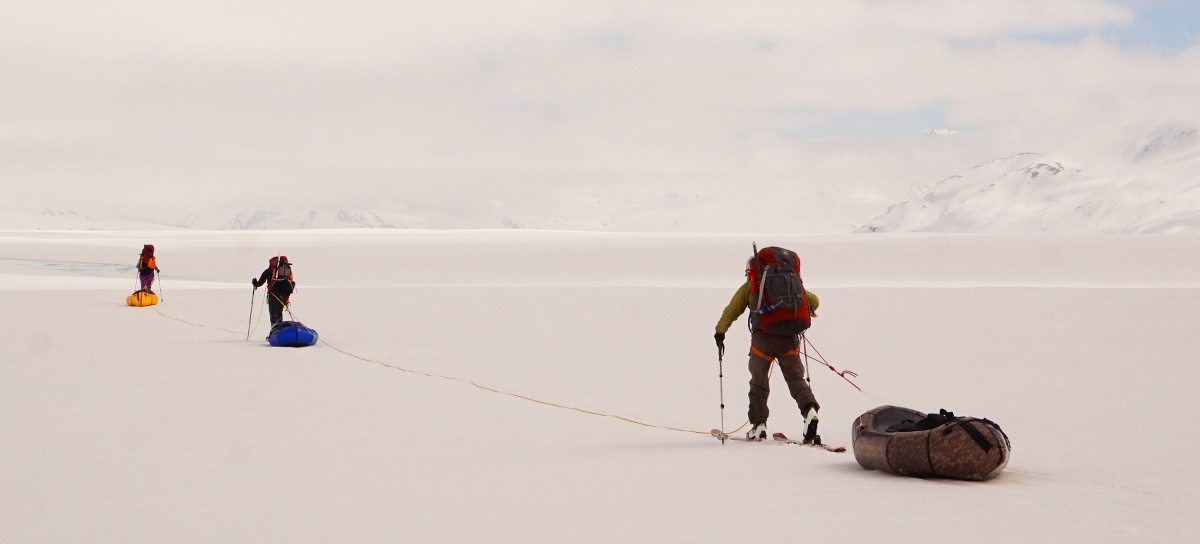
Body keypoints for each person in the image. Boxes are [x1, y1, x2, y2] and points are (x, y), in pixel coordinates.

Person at [714, 247, 822, 442]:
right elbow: (814, 300)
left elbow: (731, 310)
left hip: (762, 343)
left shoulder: (752, 286)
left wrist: (720, 332)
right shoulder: (790, 283)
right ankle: (810, 411)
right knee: (797, 381)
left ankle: (758, 425)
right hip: (788, 341)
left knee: (759, 384)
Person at [252, 256, 295, 325]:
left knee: (273, 316)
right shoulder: (286, 270)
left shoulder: (269, 270)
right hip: (283, 296)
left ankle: (275, 332)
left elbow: (259, 283)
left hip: (273, 295)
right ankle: (280, 332)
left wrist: (255, 283)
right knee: (279, 315)